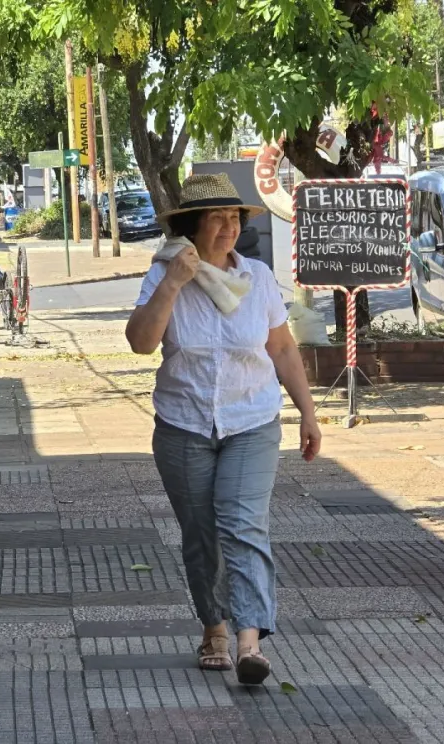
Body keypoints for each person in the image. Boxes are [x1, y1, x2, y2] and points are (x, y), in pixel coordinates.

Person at [125, 173, 320, 686]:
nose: (228, 228)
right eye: (217, 219)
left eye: (234, 219)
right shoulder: (165, 274)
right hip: (183, 424)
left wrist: (308, 412)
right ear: (192, 227)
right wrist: (172, 284)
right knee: (201, 534)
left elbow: (280, 348)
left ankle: (249, 641)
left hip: (252, 421)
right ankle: (213, 626)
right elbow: (142, 343)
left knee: (243, 523)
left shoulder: (256, 278)